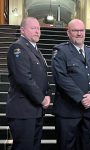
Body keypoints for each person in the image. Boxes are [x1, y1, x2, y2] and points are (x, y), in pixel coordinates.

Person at [51, 19, 90, 150]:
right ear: (68, 33)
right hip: (67, 111)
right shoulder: (60, 51)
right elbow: (61, 78)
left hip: (88, 112)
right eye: (75, 30)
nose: (79, 33)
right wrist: (81, 97)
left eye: (82, 30)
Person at [6, 17, 51, 150]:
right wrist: (42, 99)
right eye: (33, 28)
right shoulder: (18, 48)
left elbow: (42, 76)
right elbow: (24, 79)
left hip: (35, 111)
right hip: (23, 110)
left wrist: (48, 94)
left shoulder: (35, 50)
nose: (37, 31)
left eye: (38, 28)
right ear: (22, 30)